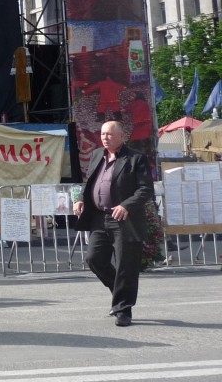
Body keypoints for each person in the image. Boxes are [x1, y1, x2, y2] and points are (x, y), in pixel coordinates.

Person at [72, 120, 154, 327]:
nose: (104, 138)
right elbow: (88, 183)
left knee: (126, 265)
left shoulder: (136, 158)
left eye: (109, 134)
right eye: (102, 134)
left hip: (124, 219)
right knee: (94, 259)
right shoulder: (97, 155)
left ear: (121, 136)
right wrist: (81, 198)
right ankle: (119, 291)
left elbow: (145, 189)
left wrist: (127, 205)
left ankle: (123, 310)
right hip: (99, 218)